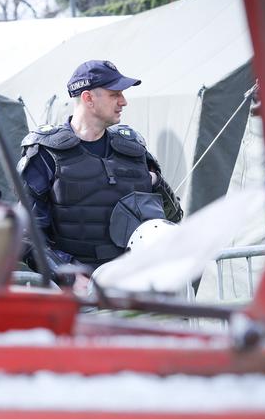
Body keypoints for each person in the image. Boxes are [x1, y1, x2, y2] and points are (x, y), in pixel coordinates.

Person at [18, 60, 182, 276]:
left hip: (137, 283)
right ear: (88, 98)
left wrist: (155, 182)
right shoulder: (45, 153)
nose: (123, 102)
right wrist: (66, 274)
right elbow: (27, 235)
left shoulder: (133, 147)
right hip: (80, 292)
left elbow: (172, 218)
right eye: (115, 94)